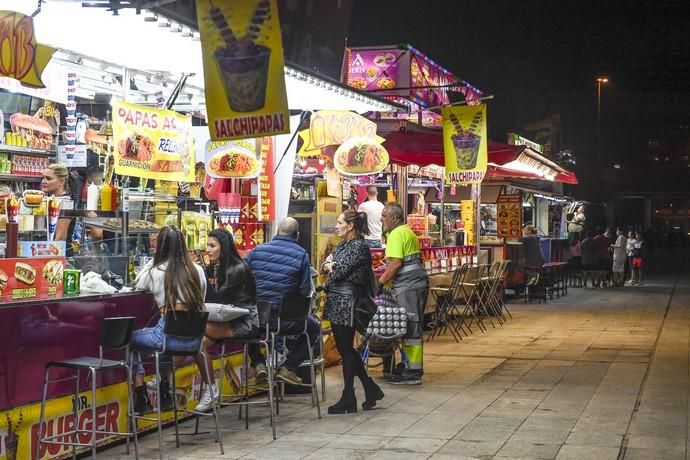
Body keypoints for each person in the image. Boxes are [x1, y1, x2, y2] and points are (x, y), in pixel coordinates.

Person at [130, 226, 207, 415]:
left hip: (165, 337)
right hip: (195, 340)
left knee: (128, 339)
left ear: (160, 248)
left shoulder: (155, 272)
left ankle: (141, 393)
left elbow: (137, 284)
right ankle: (165, 391)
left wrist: (152, 262)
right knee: (166, 338)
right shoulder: (197, 271)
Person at [245, 217, 319, 386]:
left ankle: (258, 363)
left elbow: (245, 278)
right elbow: (305, 291)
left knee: (249, 328)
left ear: (278, 232)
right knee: (314, 328)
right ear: (297, 235)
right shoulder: (301, 255)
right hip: (284, 322)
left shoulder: (257, 250)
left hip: (257, 319)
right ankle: (289, 368)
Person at [322, 210, 383, 413]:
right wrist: (330, 265)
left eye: (340, 222)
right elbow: (326, 264)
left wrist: (331, 266)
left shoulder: (359, 247)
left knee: (346, 349)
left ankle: (349, 396)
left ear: (350, 226)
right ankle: (369, 388)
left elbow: (337, 270)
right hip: (337, 301)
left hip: (348, 303)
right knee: (345, 348)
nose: (336, 226)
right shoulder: (344, 245)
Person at [196, 228, 259, 411]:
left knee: (195, 327)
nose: (207, 249)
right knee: (199, 344)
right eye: (208, 245)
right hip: (228, 319)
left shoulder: (236, 269)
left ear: (223, 248)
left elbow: (218, 299)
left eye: (212, 245)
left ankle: (164, 379)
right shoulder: (223, 266)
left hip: (245, 322)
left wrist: (201, 277)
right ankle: (210, 389)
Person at [377, 203, 429, 385]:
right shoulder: (406, 231)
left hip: (410, 286)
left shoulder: (396, 235)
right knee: (410, 327)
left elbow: (395, 264)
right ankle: (409, 366)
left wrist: (380, 282)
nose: (381, 219)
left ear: (394, 218)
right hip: (413, 284)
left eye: (384, 216)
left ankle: (413, 372)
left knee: (411, 328)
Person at [42, 164, 73, 242]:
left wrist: (50, 253)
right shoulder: (51, 200)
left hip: (59, 251)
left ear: (61, 181)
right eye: (43, 178)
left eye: (48, 178)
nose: (44, 181)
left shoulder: (66, 203)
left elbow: (61, 237)